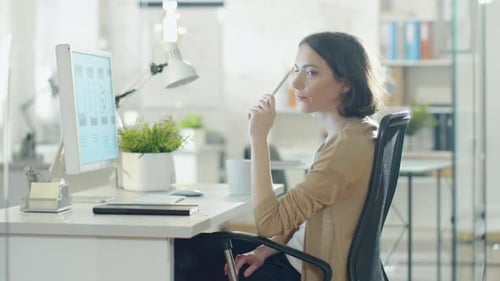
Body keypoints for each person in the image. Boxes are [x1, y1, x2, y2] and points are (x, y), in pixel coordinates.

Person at [175, 31, 386, 281]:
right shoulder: (356, 132)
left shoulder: (344, 147)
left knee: (179, 254)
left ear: (346, 83)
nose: (296, 83)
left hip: (305, 269)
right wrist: (264, 250)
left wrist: (258, 137)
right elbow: (301, 214)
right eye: (296, 70)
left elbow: (269, 222)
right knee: (188, 249)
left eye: (311, 72)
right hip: (297, 255)